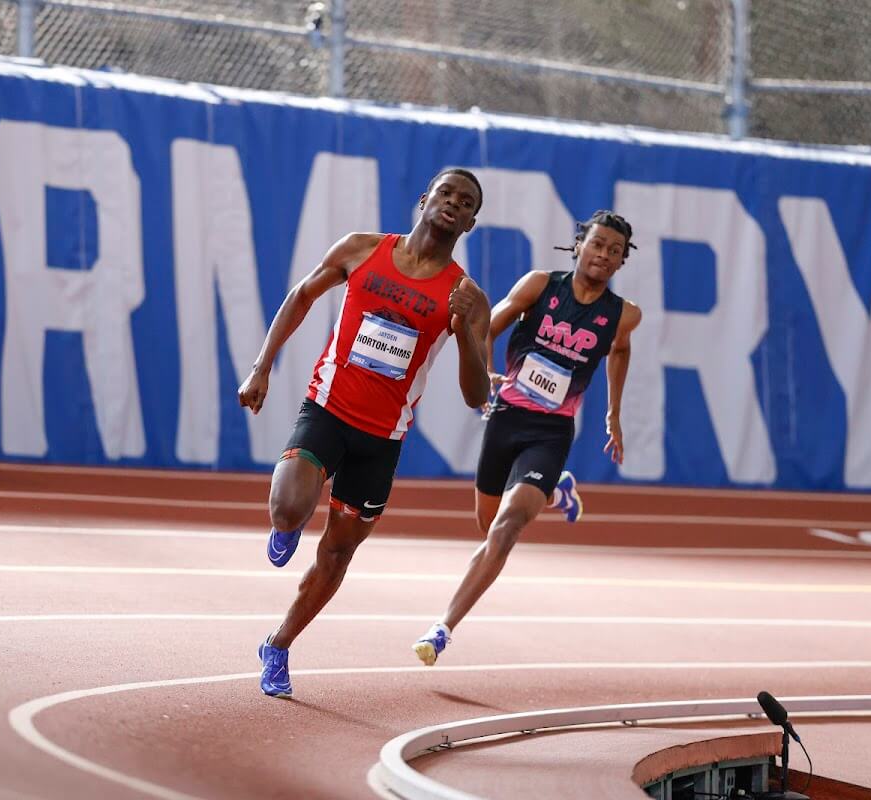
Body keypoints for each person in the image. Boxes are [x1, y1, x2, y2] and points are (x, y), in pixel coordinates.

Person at [237, 169, 492, 697]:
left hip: (382, 439)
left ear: (471, 221)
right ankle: (287, 524)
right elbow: (301, 296)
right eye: (445, 193)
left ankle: (278, 646)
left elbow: (476, 394)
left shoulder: (467, 295)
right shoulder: (360, 249)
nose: (452, 203)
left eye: (465, 202)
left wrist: (466, 330)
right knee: (288, 509)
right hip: (328, 408)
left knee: (336, 554)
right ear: (424, 199)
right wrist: (263, 366)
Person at [411, 209, 643, 666]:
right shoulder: (540, 285)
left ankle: (442, 627)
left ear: (621, 262)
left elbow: (620, 351)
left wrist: (613, 414)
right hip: (505, 418)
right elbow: (486, 327)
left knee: (506, 528)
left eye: (614, 251)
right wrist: (485, 370)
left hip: (551, 431)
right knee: (486, 523)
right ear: (580, 246)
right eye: (597, 245)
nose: (603, 255)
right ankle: (556, 491)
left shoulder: (624, 315)